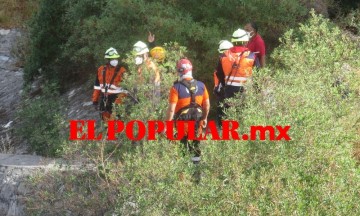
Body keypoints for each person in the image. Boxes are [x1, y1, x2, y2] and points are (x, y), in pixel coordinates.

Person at [165, 58, 210, 170]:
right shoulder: (201, 86)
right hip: (197, 121)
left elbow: (171, 110)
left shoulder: (176, 88)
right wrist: (204, 118)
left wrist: (166, 125)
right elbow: (207, 105)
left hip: (182, 123)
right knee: (196, 146)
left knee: (182, 147)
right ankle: (196, 173)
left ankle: (184, 175)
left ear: (180, 72)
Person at [215, 28, 256, 110]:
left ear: (233, 42)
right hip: (246, 92)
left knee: (229, 118)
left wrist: (225, 85)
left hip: (229, 91)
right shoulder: (252, 56)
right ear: (245, 42)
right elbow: (258, 75)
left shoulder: (224, 56)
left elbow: (219, 74)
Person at [92, 47, 127, 122]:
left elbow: (125, 90)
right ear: (108, 60)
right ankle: (108, 131)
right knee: (105, 120)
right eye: (112, 59)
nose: (115, 61)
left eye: (116, 59)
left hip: (116, 98)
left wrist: (118, 102)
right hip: (104, 98)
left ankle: (116, 132)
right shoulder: (101, 70)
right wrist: (95, 101)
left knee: (116, 120)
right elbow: (97, 87)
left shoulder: (122, 71)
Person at [213, 40, 233, 127]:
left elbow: (219, 76)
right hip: (228, 92)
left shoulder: (222, 62)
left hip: (223, 93)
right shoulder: (236, 61)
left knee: (222, 118)